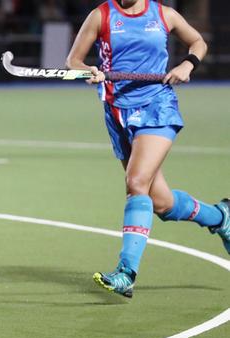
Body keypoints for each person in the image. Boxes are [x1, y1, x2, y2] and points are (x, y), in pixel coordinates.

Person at [66, 0, 229, 298]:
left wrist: (187, 64)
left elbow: (197, 42)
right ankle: (221, 218)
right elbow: (73, 61)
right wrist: (88, 71)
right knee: (161, 203)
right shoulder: (101, 15)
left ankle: (127, 272)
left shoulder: (164, 14)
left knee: (136, 182)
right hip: (117, 113)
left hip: (157, 106)